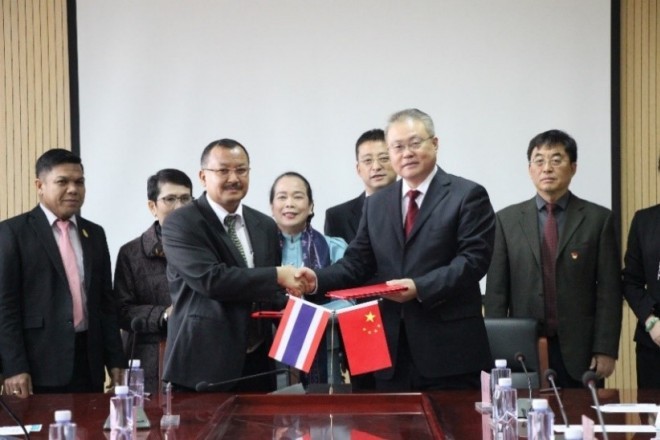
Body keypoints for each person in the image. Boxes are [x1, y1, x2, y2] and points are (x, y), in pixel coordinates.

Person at [297, 108, 496, 391]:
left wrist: (420, 287)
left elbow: (474, 261)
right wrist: (317, 279)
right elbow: (357, 262)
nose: (407, 153)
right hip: (389, 350)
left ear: (435, 144)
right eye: (398, 147)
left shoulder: (467, 195)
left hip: (449, 350)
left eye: (415, 143)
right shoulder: (377, 203)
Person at [160, 139, 307, 392]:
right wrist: (277, 276)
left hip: (258, 364)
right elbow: (212, 280)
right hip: (204, 366)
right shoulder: (181, 223)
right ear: (203, 176)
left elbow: (269, 294)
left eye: (241, 170)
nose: (233, 178)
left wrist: (307, 310)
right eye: (223, 170)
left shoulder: (265, 225)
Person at [484, 129, 622, 388]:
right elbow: (496, 294)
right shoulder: (506, 220)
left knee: (581, 424)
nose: (547, 168)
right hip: (523, 349)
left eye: (556, 160)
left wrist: (606, 349)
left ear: (573, 167)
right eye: (539, 160)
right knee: (526, 424)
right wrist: (497, 348)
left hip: (581, 352)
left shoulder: (598, 220)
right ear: (530, 169)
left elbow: (609, 291)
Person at [0, 149, 125, 397]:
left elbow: (105, 304)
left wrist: (116, 361)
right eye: (62, 182)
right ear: (40, 185)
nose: (73, 189)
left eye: (79, 182)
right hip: (38, 366)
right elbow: (5, 307)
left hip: (88, 363)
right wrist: (14, 367)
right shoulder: (13, 233)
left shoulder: (95, 234)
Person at [114, 168, 193, 394]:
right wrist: (164, 314)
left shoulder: (206, 247)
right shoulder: (131, 252)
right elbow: (121, 310)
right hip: (149, 361)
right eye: (169, 199)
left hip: (197, 356)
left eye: (185, 199)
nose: (179, 207)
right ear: (152, 206)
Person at [270, 171, 350, 385]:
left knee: (323, 410)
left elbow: (350, 298)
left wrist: (311, 313)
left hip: (327, 347)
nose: (290, 204)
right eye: (282, 197)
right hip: (271, 352)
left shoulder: (334, 246)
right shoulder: (258, 250)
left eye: (297, 196)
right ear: (271, 207)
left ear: (311, 206)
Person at [622, 157, 660, 389]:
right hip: (654, 340)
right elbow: (630, 281)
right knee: (651, 419)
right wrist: (651, 321)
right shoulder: (644, 221)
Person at [325, 129, 397, 243]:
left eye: (384, 158)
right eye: (368, 160)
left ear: (397, 162)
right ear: (358, 169)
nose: (376, 167)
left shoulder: (414, 206)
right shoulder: (337, 217)